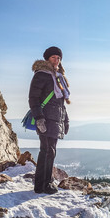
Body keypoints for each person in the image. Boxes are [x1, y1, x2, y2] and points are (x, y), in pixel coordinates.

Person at [28, 46, 71, 194]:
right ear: (47, 59)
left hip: (56, 119)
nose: (57, 60)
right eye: (54, 57)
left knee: (50, 151)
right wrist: (39, 118)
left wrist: (66, 120)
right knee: (46, 150)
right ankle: (42, 185)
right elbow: (33, 98)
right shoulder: (42, 75)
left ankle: (46, 182)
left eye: (59, 58)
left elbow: (61, 103)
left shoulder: (58, 77)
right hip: (46, 119)